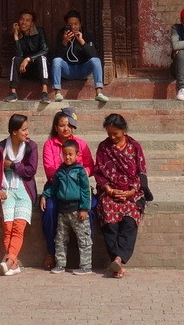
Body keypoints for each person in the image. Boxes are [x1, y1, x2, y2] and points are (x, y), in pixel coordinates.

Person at [0, 112, 38, 276]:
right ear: (14, 132)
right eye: (24, 130)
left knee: (19, 227)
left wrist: (12, 166)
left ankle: (9, 260)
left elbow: (31, 171)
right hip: (5, 191)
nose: (27, 133)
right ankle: (13, 264)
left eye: (27, 129)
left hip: (24, 190)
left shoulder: (31, 147)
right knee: (8, 228)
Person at [38, 109, 95, 270]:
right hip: (56, 185)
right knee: (49, 210)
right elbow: (50, 170)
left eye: (69, 125)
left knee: (91, 209)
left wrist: (81, 173)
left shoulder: (80, 144)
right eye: (62, 125)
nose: (66, 128)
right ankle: (51, 251)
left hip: (80, 186)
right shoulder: (49, 144)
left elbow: (90, 166)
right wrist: (66, 174)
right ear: (56, 127)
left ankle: (86, 257)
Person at [93, 112, 147, 278]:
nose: (112, 137)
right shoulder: (104, 147)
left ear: (123, 130)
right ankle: (117, 262)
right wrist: (109, 189)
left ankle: (117, 259)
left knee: (130, 222)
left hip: (132, 193)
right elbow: (99, 173)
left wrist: (131, 191)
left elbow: (141, 172)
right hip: (110, 193)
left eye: (115, 134)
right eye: (109, 134)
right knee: (109, 223)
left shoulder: (134, 146)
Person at [45, 138, 94, 274]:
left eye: (70, 154)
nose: (67, 157)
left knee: (83, 238)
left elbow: (86, 190)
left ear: (77, 155)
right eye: (65, 154)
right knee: (60, 238)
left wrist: (84, 208)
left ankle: (86, 266)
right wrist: (45, 195)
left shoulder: (80, 171)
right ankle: (60, 264)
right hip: (63, 211)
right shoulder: (60, 172)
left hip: (77, 210)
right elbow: (54, 187)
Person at [50, 11, 108, 104]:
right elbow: (57, 56)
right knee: (56, 61)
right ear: (66, 25)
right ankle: (57, 92)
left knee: (96, 60)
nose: (73, 27)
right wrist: (64, 42)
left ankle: (99, 93)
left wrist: (82, 42)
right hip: (68, 70)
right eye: (70, 24)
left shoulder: (87, 35)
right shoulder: (62, 35)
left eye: (76, 24)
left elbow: (93, 54)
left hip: (82, 70)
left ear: (80, 24)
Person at [9, 11, 50, 102]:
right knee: (15, 59)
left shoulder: (39, 32)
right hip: (23, 69)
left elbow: (45, 50)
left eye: (27, 20)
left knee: (42, 58)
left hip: (37, 69)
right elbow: (18, 54)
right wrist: (16, 36)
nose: (24, 22)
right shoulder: (18, 34)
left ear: (32, 24)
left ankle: (44, 92)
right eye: (22, 19)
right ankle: (13, 92)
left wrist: (29, 59)